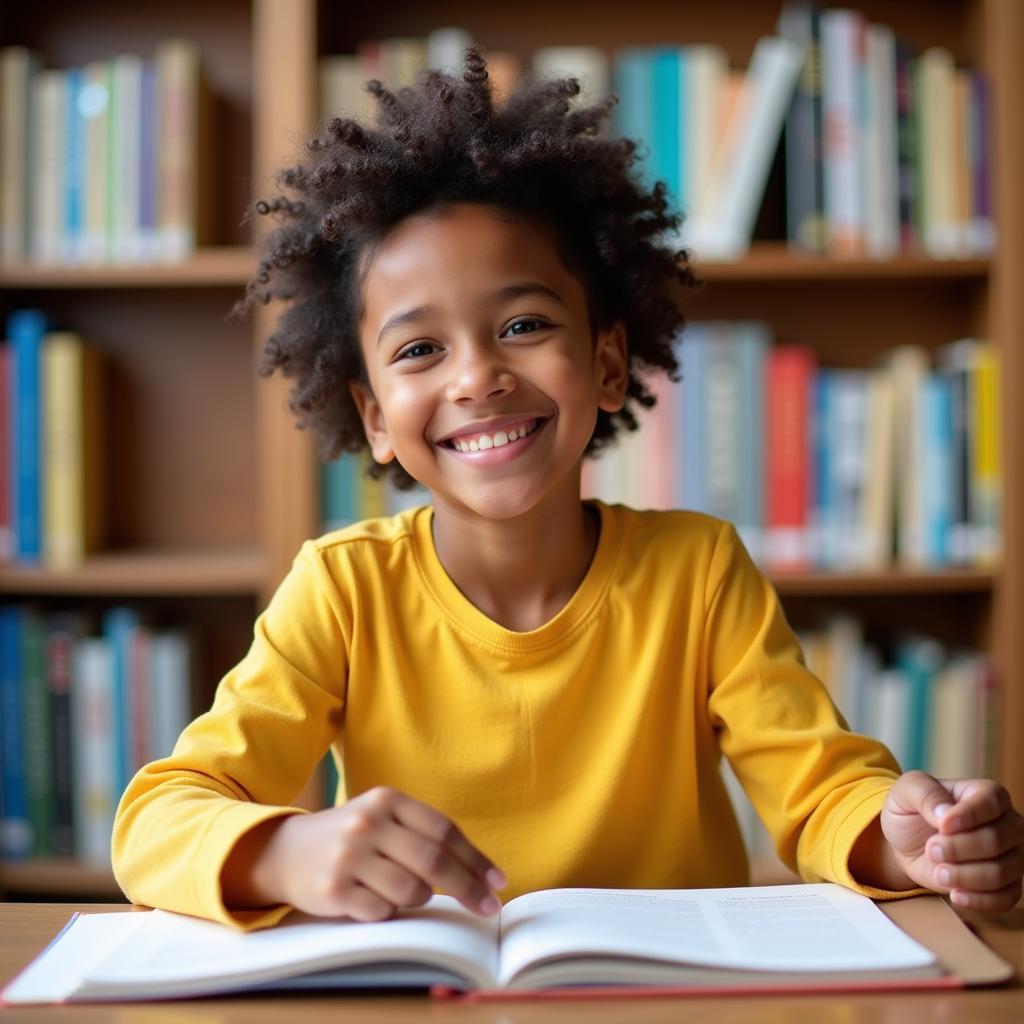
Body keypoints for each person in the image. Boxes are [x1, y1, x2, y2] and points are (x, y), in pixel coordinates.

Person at [111, 48, 1024, 930]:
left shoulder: (698, 571)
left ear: (608, 364)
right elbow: (155, 822)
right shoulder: (343, 589)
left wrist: (907, 843)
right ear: (376, 416)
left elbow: (821, 794)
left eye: (521, 324)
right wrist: (286, 853)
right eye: (420, 349)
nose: (476, 378)